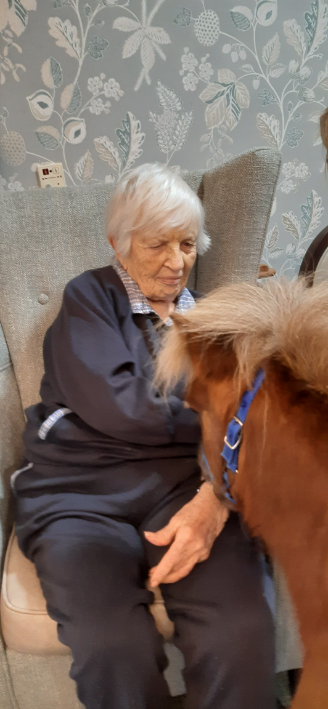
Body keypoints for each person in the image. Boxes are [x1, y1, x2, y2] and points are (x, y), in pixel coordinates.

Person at [13, 164, 276, 709]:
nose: (176, 262)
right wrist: (209, 418)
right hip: (79, 493)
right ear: (119, 241)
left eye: (186, 243)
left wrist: (217, 489)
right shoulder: (90, 298)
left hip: (186, 490)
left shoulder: (212, 318)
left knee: (242, 628)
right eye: (158, 243)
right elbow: (122, 408)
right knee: (113, 645)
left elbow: (253, 418)